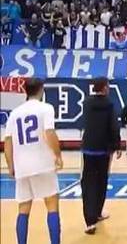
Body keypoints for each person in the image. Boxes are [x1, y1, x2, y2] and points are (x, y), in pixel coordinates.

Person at [3, 78, 63, 244]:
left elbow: (7, 141)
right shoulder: (46, 108)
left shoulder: (14, 113)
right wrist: (58, 155)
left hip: (22, 166)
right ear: (41, 90)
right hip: (43, 164)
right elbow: (49, 133)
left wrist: (10, 166)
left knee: (23, 209)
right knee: (51, 204)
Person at [81, 77, 122, 234]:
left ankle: (89, 221)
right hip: (103, 150)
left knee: (88, 183)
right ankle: (97, 212)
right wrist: (117, 145)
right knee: (101, 181)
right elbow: (113, 126)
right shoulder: (109, 104)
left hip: (88, 148)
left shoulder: (87, 102)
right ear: (105, 88)